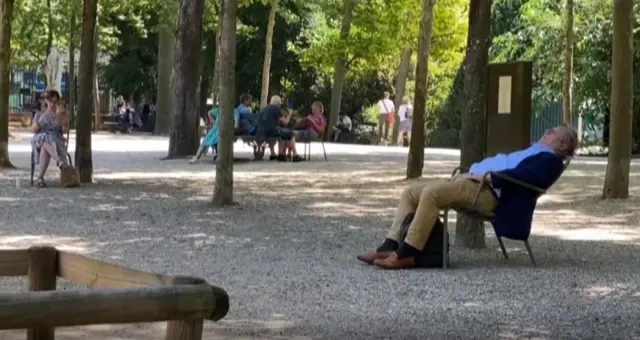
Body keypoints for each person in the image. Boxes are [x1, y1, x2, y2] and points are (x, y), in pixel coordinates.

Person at [357, 126, 578, 270]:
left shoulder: (551, 160)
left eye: (553, 131)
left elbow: (529, 177)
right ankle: (389, 245)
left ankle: (407, 253)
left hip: (488, 192)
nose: (547, 131)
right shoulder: (536, 152)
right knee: (410, 192)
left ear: (562, 145)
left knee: (431, 193)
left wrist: (492, 178)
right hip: (474, 182)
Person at [30, 90, 70, 188]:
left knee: (46, 146)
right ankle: (59, 161)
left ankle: (40, 178)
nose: (53, 104)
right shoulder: (39, 114)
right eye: (50, 101)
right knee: (44, 138)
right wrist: (46, 114)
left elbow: (65, 131)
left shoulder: (60, 115)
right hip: (39, 140)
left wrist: (63, 119)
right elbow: (34, 130)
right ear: (46, 102)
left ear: (58, 102)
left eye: (55, 102)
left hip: (55, 141)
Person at [255, 95, 303, 162]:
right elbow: (285, 123)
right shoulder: (276, 109)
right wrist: (290, 113)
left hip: (260, 132)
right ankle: (295, 155)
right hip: (271, 131)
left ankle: (274, 154)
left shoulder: (263, 109)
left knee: (280, 133)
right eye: (279, 104)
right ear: (278, 103)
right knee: (290, 134)